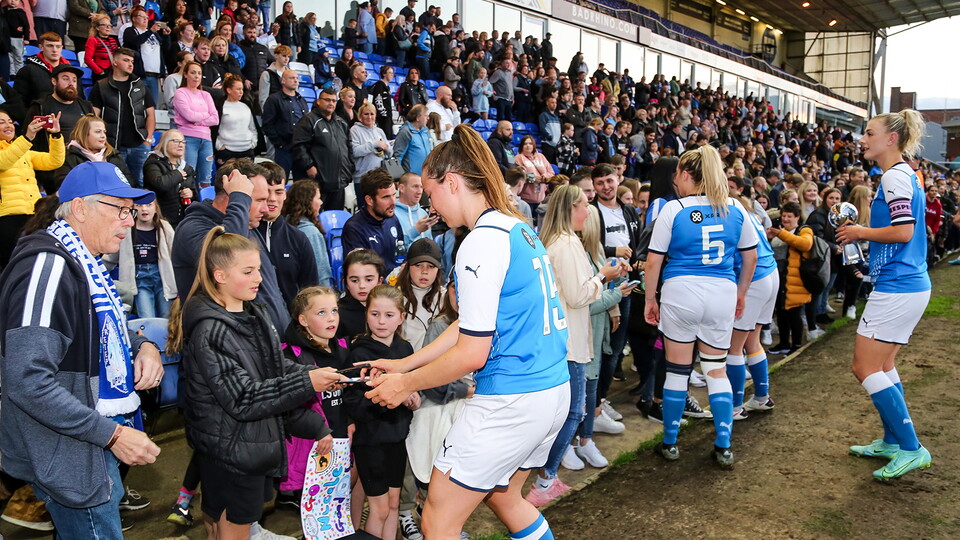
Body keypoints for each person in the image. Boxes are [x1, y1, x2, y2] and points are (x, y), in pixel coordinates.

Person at [361, 124, 570, 540]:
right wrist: (406, 362)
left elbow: (473, 353)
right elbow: (469, 323)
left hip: (510, 399)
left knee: (438, 520)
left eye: (432, 191)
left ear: (451, 182)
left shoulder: (481, 241)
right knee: (505, 497)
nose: (431, 206)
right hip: (551, 391)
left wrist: (404, 384)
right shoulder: (517, 227)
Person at [0, 161, 162, 538]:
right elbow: (27, 380)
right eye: (120, 209)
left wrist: (145, 346)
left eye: (131, 210)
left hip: (82, 449)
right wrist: (113, 435)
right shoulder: (49, 267)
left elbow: (103, 331)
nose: (130, 220)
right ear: (80, 208)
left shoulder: (82, 264)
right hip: (72, 454)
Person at [174, 226, 343, 539]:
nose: (258, 278)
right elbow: (243, 398)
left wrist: (317, 376)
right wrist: (309, 383)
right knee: (227, 529)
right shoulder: (211, 330)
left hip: (242, 447)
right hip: (232, 451)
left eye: (259, 270)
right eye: (248, 271)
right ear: (220, 275)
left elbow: (275, 368)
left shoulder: (255, 313)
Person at [644, 145, 758, 468]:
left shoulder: (673, 209)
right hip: (721, 290)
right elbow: (750, 256)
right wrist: (741, 292)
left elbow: (654, 262)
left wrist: (651, 299)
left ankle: (669, 443)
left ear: (684, 174)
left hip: (682, 291)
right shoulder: (735, 207)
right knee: (715, 369)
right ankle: (724, 445)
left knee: (678, 371)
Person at [835, 109, 932, 480]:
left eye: (869, 132)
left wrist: (859, 232)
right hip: (906, 282)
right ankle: (894, 440)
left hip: (899, 285)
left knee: (864, 366)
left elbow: (904, 232)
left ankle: (910, 447)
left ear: (891, 139)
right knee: (884, 365)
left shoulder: (894, 176)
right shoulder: (905, 173)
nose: (863, 138)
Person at [526, 185, 629, 506]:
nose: (589, 211)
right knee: (572, 412)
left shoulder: (557, 242)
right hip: (568, 341)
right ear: (570, 208)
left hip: (563, 338)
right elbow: (578, 295)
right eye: (584, 204)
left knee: (568, 411)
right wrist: (603, 276)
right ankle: (544, 481)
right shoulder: (566, 244)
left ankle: (547, 477)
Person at [171, 158, 290, 331]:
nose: (265, 210)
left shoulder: (246, 226)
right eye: (258, 200)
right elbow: (232, 254)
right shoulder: (193, 228)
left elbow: (271, 291)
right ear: (232, 196)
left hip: (264, 346)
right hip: (224, 347)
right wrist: (240, 198)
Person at [345, 284, 418, 540]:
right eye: (375, 314)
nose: (381, 321)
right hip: (371, 442)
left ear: (401, 317)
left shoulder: (405, 351)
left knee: (394, 505)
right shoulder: (359, 354)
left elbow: (412, 394)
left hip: (397, 439)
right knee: (380, 508)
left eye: (389, 315)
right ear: (366, 313)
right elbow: (354, 404)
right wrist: (387, 393)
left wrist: (412, 399)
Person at [278, 286, 352, 508]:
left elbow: (351, 395)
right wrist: (318, 429)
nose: (331, 319)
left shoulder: (343, 348)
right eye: (321, 313)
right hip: (310, 447)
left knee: (335, 509)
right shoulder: (289, 356)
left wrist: (351, 421)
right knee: (313, 513)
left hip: (341, 442)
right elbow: (288, 405)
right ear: (303, 320)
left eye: (334, 311)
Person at [725, 193, 780, 422]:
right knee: (752, 340)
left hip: (755, 280)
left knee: (733, 347)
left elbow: (747, 257)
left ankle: (735, 406)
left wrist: (741, 291)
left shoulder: (729, 215)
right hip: (771, 273)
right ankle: (761, 396)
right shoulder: (748, 213)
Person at [0, 110, 65, 267]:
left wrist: (55, 136)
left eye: (10, 121)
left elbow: (54, 161)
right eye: (2, 122)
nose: (9, 125)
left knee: (34, 263)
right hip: (8, 217)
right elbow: (4, 162)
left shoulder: (23, 151)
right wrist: (27, 138)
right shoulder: (19, 148)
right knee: (10, 265)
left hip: (34, 213)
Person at [89, 48, 157, 189]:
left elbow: (151, 115)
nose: (130, 64)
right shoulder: (101, 86)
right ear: (115, 62)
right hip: (112, 145)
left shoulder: (141, 86)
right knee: (112, 184)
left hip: (139, 144)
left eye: (132, 61)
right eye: (126, 60)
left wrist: (148, 139)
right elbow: (93, 117)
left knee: (141, 184)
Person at [23, 63, 94, 195]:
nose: (71, 83)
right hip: (53, 172)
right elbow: (30, 142)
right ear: (54, 81)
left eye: (74, 80)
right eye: (65, 79)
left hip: (83, 166)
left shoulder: (85, 106)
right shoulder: (40, 107)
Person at [256, 161, 319, 306]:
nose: (272, 198)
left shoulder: (299, 239)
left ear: (285, 194)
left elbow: (310, 292)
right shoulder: (241, 235)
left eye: (278, 192)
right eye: (266, 192)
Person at [291, 88, 354, 210]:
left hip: (339, 182)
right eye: (327, 100)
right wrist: (308, 166)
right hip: (318, 183)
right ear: (318, 101)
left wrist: (350, 167)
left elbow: (349, 147)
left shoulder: (341, 123)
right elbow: (298, 145)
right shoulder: (309, 120)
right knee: (315, 218)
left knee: (334, 219)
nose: (331, 103)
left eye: (334, 101)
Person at [113, 199, 177, 317]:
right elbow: (113, 253)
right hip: (139, 278)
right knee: (146, 316)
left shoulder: (164, 227)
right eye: (139, 205)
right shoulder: (128, 228)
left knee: (167, 316)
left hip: (162, 278)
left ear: (156, 208)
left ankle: (167, 337)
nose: (144, 209)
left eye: (149, 205)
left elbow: (176, 252)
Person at [342, 168, 406, 274]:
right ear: (369, 200)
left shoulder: (392, 218)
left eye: (394, 195)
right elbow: (360, 273)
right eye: (386, 197)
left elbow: (402, 255)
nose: (393, 202)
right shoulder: (354, 228)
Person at [768, 202, 812, 354]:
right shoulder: (779, 231)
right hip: (780, 278)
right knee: (781, 313)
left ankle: (797, 345)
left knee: (794, 314)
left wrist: (781, 234)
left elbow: (805, 245)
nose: (786, 219)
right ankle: (784, 342)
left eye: (789, 216)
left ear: (797, 217)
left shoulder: (803, 230)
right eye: (784, 216)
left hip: (795, 280)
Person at [53, 113, 132, 190]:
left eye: (104, 132)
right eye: (98, 132)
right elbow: (63, 184)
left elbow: (128, 182)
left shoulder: (113, 155)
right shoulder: (69, 156)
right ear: (83, 134)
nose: (103, 136)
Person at [172, 61, 218, 188]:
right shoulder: (180, 92)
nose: (197, 76)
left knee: (206, 178)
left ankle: (204, 204)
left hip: (206, 139)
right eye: (193, 73)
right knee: (188, 175)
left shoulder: (206, 94)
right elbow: (189, 116)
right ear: (185, 75)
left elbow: (215, 119)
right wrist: (204, 116)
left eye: (199, 73)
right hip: (187, 138)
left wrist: (196, 120)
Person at [280, 179, 333, 288]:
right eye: (318, 198)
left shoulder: (283, 226)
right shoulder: (311, 233)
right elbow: (321, 274)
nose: (321, 202)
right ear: (307, 201)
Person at [397, 238, 444, 350]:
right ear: (408, 266)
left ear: (438, 269)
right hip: (403, 363)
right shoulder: (394, 297)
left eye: (431, 266)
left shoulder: (445, 298)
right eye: (418, 265)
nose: (424, 271)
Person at [143, 128, 196, 227]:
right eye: (176, 141)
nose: (180, 145)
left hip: (182, 220)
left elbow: (195, 193)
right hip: (160, 218)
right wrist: (177, 174)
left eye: (183, 142)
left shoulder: (186, 167)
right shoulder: (153, 162)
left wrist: (191, 193)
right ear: (165, 143)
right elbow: (159, 184)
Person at [261, 68, 308, 177]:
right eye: (292, 78)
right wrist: (279, 144)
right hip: (284, 148)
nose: (296, 80)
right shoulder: (273, 99)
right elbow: (267, 124)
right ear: (283, 80)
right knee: (280, 181)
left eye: (296, 78)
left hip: (300, 148)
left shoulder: (302, 100)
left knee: (301, 185)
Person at [123, 6, 168, 103]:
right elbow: (135, 42)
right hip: (139, 75)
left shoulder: (153, 34)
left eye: (147, 17)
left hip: (154, 76)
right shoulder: (130, 31)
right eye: (141, 16)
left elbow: (165, 48)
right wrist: (150, 31)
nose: (145, 19)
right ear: (134, 19)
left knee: (153, 106)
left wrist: (166, 36)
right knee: (137, 104)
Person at [14, 32, 71, 106]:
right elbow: (19, 102)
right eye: (50, 46)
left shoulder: (71, 71)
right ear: (41, 47)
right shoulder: (27, 71)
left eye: (58, 46)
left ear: (62, 47)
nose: (54, 50)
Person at [213, 73, 258, 166]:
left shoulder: (246, 105)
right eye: (238, 89)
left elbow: (253, 127)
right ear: (229, 90)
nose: (241, 92)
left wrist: (253, 143)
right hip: (227, 151)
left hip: (247, 150)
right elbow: (213, 128)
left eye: (242, 89)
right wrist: (219, 145)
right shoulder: (220, 105)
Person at [351, 102, 391, 190]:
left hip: (380, 177)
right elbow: (355, 152)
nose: (369, 117)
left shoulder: (379, 131)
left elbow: (390, 153)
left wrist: (387, 148)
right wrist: (374, 144)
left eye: (372, 114)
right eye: (366, 114)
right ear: (360, 115)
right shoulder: (354, 130)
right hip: (362, 178)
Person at [395, 172, 437, 247]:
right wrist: (416, 230)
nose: (419, 192)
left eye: (421, 187)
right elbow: (392, 244)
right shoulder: (392, 214)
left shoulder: (423, 213)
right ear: (401, 188)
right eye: (415, 186)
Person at [393, 104, 432, 175]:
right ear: (418, 118)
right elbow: (398, 156)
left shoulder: (426, 132)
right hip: (410, 177)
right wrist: (397, 176)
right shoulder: (405, 132)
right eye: (426, 115)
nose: (428, 118)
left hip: (425, 176)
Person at [85, 14, 120, 81]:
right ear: (97, 27)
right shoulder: (93, 40)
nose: (108, 27)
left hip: (113, 72)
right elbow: (87, 59)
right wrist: (100, 71)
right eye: (104, 25)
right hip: (101, 73)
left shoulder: (113, 40)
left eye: (109, 25)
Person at [257, 44, 291, 109]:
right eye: (284, 56)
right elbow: (263, 99)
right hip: (273, 110)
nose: (287, 59)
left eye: (288, 56)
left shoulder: (291, 74)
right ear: (276, 55)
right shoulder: (266, 74)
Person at [369, 65, 395, 138]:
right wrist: (384, 114)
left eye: (392, 73)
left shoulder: (387, 87)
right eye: (389, 73)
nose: (392, 75)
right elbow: (378, 100)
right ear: (384, 74)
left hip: (388, 117)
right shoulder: (379, 86)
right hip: (382, 118)